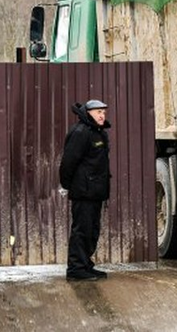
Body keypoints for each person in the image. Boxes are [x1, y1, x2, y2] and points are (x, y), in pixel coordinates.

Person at [60, 100, 111, 281]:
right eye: (98, 112)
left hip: (95, 192)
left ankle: (85, 265)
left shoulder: (98, 133)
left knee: (92, 231)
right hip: (84, 192)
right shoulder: (81, 133)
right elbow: (68, 162)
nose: (102, 115)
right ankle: (76, 269)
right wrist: (68, 185)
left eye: (103, 112)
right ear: (88, 113)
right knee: (82, 231)